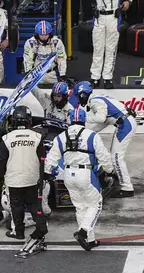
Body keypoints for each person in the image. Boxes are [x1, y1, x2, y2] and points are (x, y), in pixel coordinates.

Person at [44, 107, 114, 251]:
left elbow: (51, 159)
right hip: (86, 174)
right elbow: (104, 156)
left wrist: (47, 172)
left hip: (68, 175)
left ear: (70, 120)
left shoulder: (61, 136)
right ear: (84, 119)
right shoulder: (92, 135)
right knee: (96, 204)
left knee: (80, 206)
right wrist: (110, 171)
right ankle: (84, 231)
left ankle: (90, 240)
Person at [48, 0, 138, 89]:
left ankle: (107, 78)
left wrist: (129, 0)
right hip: (99, 18)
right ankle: (95, 78)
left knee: (111, 49)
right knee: (98, 49)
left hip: (114, 19)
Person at [0, 105, 49, 258]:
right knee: (33, 205)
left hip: (14, 179)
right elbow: (42, 159)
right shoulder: (37, 137)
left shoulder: (6, 138)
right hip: (32, 178)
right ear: (28, 120)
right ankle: (41, 225)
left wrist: (0, 179)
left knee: (16, 205)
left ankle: (18, 233)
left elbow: (2, 162)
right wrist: (42, 176)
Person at [72, 80, 136, 197]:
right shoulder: (97, 97)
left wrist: (82, 117)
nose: (78, 100)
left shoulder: (94, 101)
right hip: (124, 122)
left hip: (125, 124)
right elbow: (104, 120)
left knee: (116, 157)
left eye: (78, 97)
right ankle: (117, 178)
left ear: (82, 95)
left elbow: (100, 118)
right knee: (115, 155)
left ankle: (127, 188)